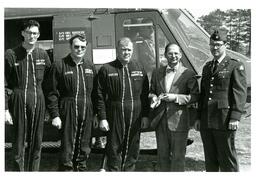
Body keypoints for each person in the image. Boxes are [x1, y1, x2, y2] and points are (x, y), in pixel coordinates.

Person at [194, 29, 247, 171]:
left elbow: (240, 93)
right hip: (207, 120)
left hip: (224, 120)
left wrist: (235, 117)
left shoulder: (234, 65)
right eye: (212, 44)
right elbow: (203, 94)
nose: (214, 48)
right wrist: (199, 117)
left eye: (218, 44)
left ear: (225, 45)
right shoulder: (207, 67)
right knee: (210, 159)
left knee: (227, 158)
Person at [46, 34, 98, 171]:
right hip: (67, 110)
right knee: (67, 148)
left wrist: (96, 114)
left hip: (87, 110)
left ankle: (81, 170)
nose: (79, 49)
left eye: (82, 47)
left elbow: (96, 93)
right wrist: (55, 115)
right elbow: (51, 93)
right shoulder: (59, 65)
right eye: (76, 47)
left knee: (84, 146)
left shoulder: (90, 66)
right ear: (70, 47)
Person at [97, 37, 150, 171]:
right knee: (114, 146)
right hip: (115, 112)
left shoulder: (139, 67)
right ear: (117, 50)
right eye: (123, 49)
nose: (126, 52)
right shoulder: (107, 69)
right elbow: (99, 96)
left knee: (133, 145)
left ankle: (128, 171)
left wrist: (145, 116)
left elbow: (145, 95)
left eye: (129, 50)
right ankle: (114, 170)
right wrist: (102, 118)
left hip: (136, 113)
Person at [5, 20, 51, 171]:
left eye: (35, 33)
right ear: (23, 33)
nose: (32, 36)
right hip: (18, 99)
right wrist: (5, 109)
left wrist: (49, 109)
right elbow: (4, 84)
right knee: (18, 143)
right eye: (29, 32)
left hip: (38, 100)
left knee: (36, 143)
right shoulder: (11, 54)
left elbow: (49, 84)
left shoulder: (43, 54)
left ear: (38, 35)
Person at [149, 43, 199, 171]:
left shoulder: (188, 73)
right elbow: (152, 91)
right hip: (160, 121)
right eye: (170, 53)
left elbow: (194, 96)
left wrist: (175, 98)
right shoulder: (157, 72)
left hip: (179, 122)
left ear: (181, 55)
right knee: (162, 157)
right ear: (165, 55)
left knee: (178, 157)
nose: (173, 56)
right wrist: (153, 97)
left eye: (176, 53)